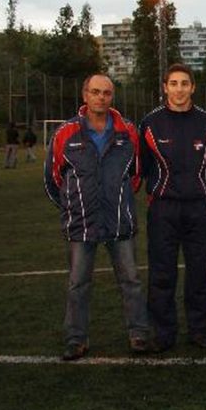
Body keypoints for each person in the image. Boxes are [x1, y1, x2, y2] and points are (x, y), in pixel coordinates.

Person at [44, 74, 150, 360]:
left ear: (111, 96)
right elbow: (53, 179)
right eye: (95, 92)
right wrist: (71, 206)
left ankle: (138, 334)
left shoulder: (128, 132)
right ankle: (76, 338)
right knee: (78, 283)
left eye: (106, 93)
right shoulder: (65, 133)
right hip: (82, 223)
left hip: (118, 221)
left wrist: (119, 200)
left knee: (131, 280)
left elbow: (136, 175)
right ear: (85, 95)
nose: (100, 97)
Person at [139, 63, 206, 352]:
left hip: (199, 207)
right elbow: (144, 166)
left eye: (185, 83)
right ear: (165, 87)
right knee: (162, 272)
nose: (179, 89)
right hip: (163, 208)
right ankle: (163, 332)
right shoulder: (150, 123)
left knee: (198, 271)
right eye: (173, 83)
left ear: (193, 87)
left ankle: (199, 329)